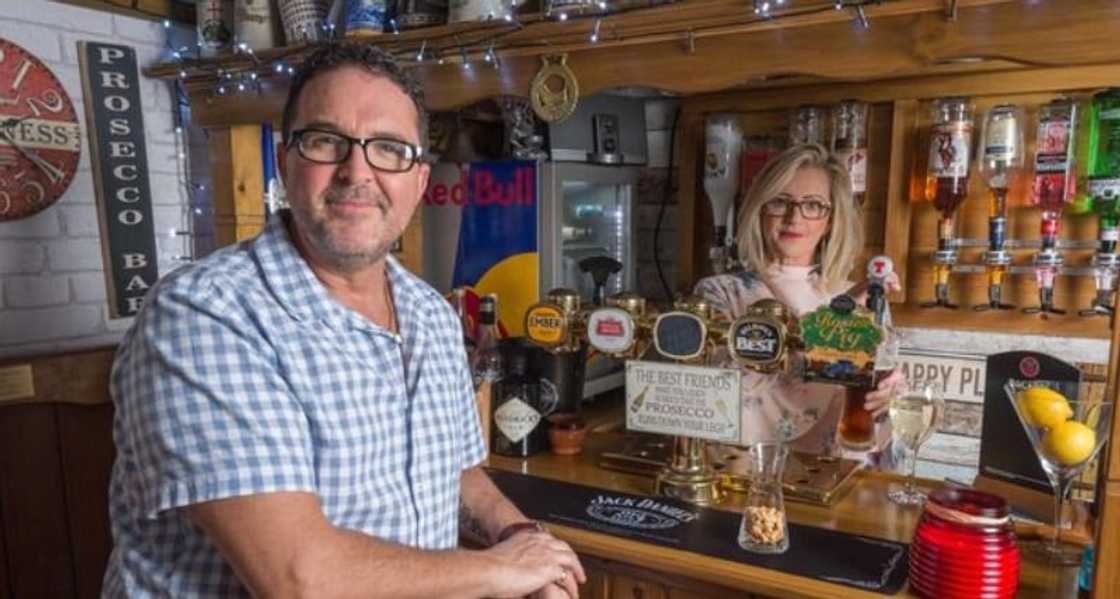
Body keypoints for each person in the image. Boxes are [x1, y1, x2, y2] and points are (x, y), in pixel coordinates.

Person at [103, 43, 584, 599]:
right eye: (327, 140)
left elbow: (454, 472)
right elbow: (300, 579)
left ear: (419, 182)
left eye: (389, 148)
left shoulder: (430, 313)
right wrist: (505, 571)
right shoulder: (206, 316)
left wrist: (519, 537)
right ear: (286, 163)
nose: (357, 171)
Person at [695, 143, 902, 462]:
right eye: (780, 201)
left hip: (837, 476)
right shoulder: (720, 293)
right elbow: (721, 395)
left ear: (831, 220)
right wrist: (837, 318)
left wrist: (891, 399)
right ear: (760, 210)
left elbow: (880, 436)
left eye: (814, 205)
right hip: (745, 474)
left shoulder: (865, 299)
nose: (795, 217)